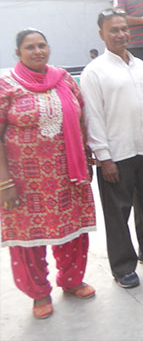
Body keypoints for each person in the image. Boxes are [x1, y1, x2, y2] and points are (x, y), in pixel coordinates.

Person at [0, 29, 96, 319]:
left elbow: (82, 119)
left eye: (42, 45)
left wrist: (86, 160)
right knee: (27, 237)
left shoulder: (64, 78)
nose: (37, 51)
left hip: (68, 174)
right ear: (18, 53)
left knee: (72, 231)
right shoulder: (6, 85)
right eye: (30, 47)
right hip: (24, 181)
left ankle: (71, 280)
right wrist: (4, 182)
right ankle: (38, 292)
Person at [81, 9, 143, 290]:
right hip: (116, 155)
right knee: (117, 213)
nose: (121, 34)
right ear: (101, 34)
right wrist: (104, 158)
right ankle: (123, 267)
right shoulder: (94, 71)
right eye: (114, 30)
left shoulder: (140, 65)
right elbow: (93, 117)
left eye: (124, 28)